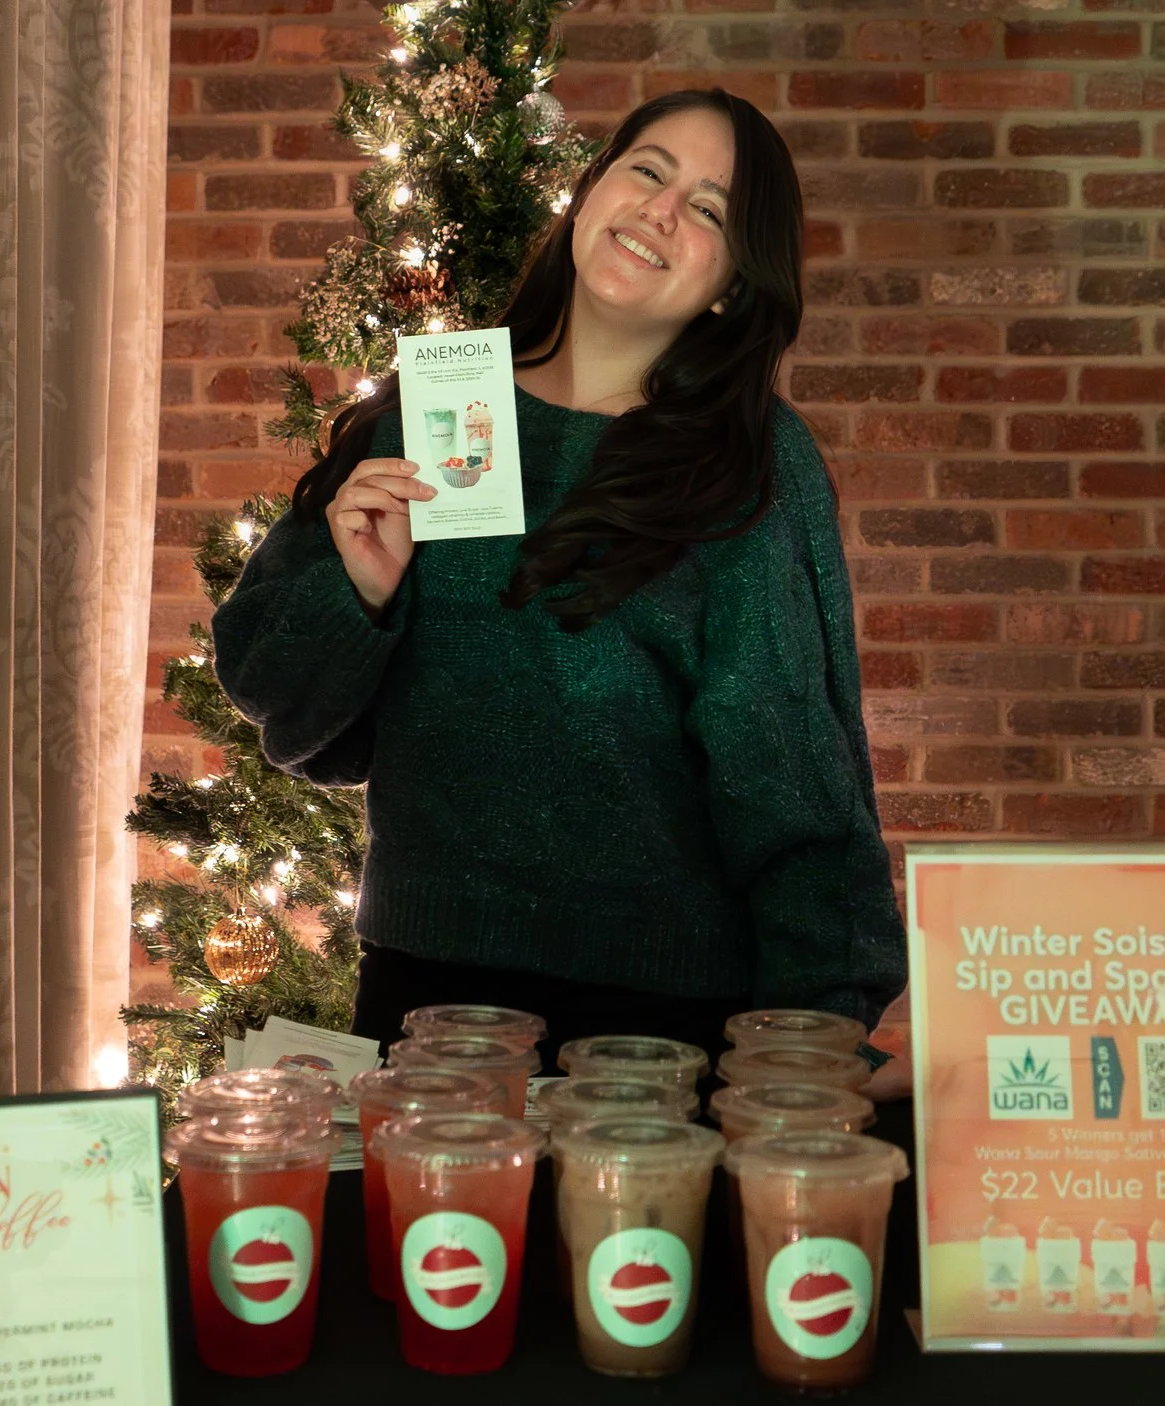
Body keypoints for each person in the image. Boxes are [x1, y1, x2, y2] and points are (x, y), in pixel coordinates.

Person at [213, 88, 905, 1063]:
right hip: (425, 1007)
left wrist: (817, 1034)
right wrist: (355, 593)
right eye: (648, 171)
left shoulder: (749, 464)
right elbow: (277, 700)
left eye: (709, 210)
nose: (663, 210)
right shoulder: (436, 407)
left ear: (732, 286)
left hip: (655, 1034)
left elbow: (793, 775)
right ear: (589, 193)